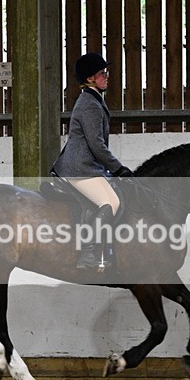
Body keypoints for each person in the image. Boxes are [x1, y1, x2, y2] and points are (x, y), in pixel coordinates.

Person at [51, 52, 133, 270]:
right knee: (110, 203)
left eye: (105, 73)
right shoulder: (90, 104)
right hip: (79, 167)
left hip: (87, 166)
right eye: (101, 74)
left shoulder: (94, 100)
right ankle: (88, 252)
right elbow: (96, 144)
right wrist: (118, 168)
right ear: (89, 79)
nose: (106, 77)